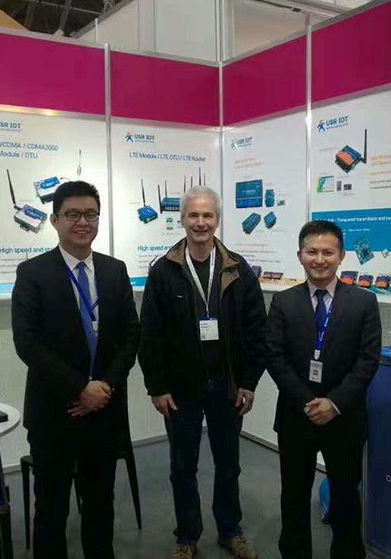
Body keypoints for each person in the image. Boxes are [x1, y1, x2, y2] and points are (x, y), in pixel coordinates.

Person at [11, 180, 140, 559]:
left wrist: (104, 388)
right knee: (51, 510)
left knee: (101, 505)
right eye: (72, 214)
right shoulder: (33, 273)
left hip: (104, 412)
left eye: (90, 214)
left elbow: (132, 335)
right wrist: (80, 388)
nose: (83, 222)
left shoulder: (115, 271)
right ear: (54, 220)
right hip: (56, 413)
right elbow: (27, 343)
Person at [138, 186, 266, 559]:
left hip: (227, 387)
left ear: (217, 220)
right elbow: (150, 334)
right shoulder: (163, 271)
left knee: (229, 465)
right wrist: (157, 387)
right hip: (181, 390)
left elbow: (256, 330)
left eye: (207, 215)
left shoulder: (238, 269)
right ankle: (187, 536)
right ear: (182, 219)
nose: (200, 222)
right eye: (193, 215)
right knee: (182, 467)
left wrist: (249, 382)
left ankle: (230, 530)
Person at [266, 220, 381, 559]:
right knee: (294, 497)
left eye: (327, 252)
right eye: (312, 252)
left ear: (341, 256)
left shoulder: (363, 301)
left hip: (344, 418)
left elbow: (367, 360)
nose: (319, 259)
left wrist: (333, 403)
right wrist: (308, 401)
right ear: (300, 256)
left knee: (345, 498)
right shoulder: (283, 301)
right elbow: (275, 356)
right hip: (296, 415)